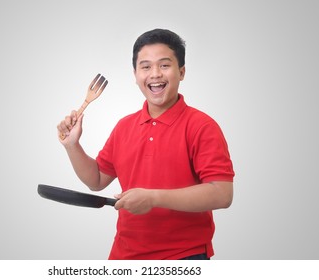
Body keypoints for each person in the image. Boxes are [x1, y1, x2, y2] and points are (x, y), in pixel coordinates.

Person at [57, 29, 235, 260]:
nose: (155, 74)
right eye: (146, 66)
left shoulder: (202, 126)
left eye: (164, 65)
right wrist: (72, 146)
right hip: (124, 257)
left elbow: (222, 194)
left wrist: (153, 198)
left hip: (183, 257)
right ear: (135, 74)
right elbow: (97, 180)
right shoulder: (124, 126)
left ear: (181, 72)